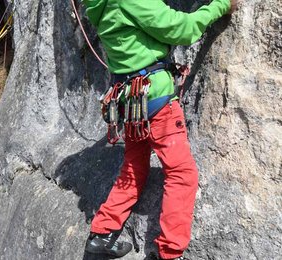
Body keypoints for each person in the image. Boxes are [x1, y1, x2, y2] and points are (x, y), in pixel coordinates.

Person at [82, 0, 240, 259]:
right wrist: (221, 5)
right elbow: (182, 28)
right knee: (181, 173)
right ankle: (170, 252)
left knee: (134, 169)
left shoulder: (98, 5)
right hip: (155, 100)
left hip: (131, 102)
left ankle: (102, 234)